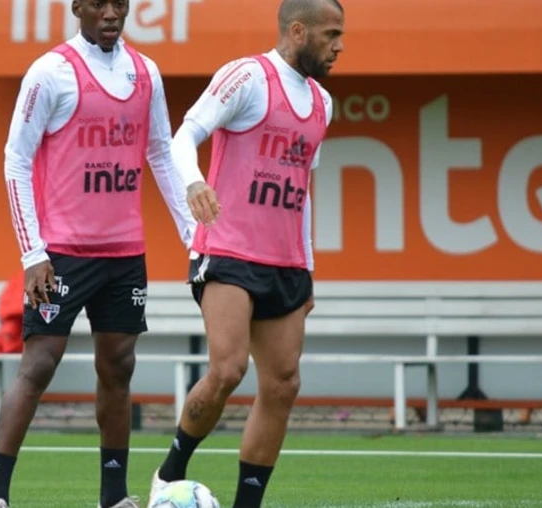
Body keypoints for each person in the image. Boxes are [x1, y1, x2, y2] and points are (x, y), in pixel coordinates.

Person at [0, 0, 197, 507]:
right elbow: (16, 160)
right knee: (39, 365)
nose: (110, 14)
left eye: (119, 4)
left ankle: (114, 497)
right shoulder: (51, 72)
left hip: (124, 254)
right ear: (76, 7)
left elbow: (161, 153)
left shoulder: (146, 73)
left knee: (118, 368)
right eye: (97, 4)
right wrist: (33, 252)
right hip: (62, 254)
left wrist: (192, 233)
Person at [146, 0, 344, 507]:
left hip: (286, 264)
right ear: (298, 31)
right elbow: (183, 137)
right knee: (228, 369)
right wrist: (193, 183)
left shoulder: (323, 103)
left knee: (283, 384)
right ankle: (169, 475)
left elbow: (301, 194)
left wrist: (309, 269)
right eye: (330, 34)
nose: (339, 45)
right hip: (229, 251)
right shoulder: (248, 77)